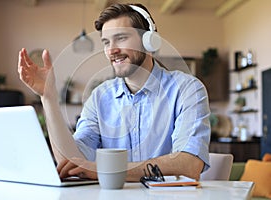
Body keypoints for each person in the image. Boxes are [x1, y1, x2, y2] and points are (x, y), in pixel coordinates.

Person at [18, 3, 211, 182]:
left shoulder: (187, 89)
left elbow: (189, 165)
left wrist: (107, 171)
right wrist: (48, 97)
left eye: (121, 38)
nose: (112, 50)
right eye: (106, 42)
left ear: (148, 41)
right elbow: (72, 163)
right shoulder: (99, 97)